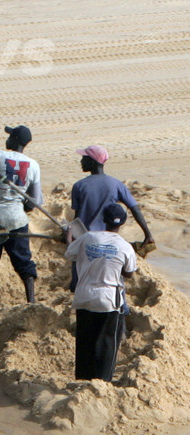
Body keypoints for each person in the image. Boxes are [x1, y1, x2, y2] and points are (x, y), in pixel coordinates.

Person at [64, 202, 137, 381]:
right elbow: (128, 272)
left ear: (103, 219)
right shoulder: (125, 246)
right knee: (106, 345)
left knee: (84, 342)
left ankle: (82, 381)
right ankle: (103, 382)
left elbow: (70, 253)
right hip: (107, 300)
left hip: (84, 296)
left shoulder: (88, 237)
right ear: (122, 223)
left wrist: (68, 238)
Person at [69, 145, 153, 289]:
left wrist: (69, 236)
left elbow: (77, 220)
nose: (81, 162)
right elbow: (135, 208)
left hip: (86, 239)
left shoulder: (79, 186)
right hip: (109, 241)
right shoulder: (116, 184)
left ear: (93, 162)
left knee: (77, 282)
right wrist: (147, 233)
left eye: (84, 159)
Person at [0, 125, 42, 306]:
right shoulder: (33, 165)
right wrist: (22, 206)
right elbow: (34, 201)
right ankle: (30, 300)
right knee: (24, 262)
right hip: (16, 219)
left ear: (14, 140)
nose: (6, 138)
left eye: (10, 136)